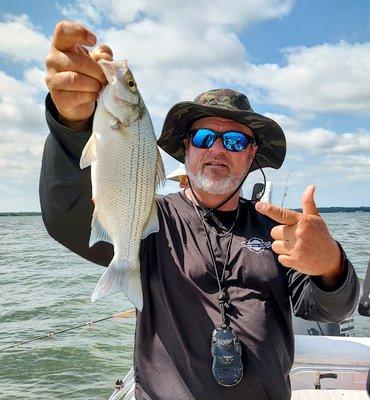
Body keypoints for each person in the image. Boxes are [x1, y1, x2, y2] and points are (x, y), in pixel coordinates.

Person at [41, 21, 359, 400]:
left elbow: (331, 310)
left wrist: (331, 266)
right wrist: (71, 124)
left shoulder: (276, 228)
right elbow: (65, 215)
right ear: (187, 149)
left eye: (236, 140)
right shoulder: (150, 217)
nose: (218, 149)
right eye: (205, 137)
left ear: (252, 154)